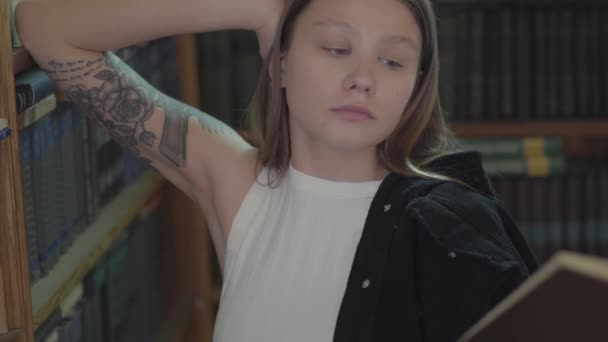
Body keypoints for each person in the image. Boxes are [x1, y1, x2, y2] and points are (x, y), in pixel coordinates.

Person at [16, 0, 538, 340]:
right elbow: (43, 25)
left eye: (393, 61)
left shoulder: (449, 226)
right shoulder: (235, 180)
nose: (363, 79)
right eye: (336, 48)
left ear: (414, 87)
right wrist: (259, 9)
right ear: (280, 63)